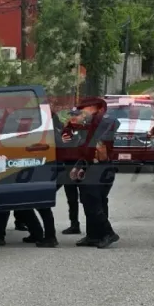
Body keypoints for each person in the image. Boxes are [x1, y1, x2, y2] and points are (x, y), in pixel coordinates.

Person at [68, 98, 121, 248]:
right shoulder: (88, 126)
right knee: (87, 200)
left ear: (94, 107)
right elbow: (85, 151)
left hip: (101, 167)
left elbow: (114, 123)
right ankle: (93, 235)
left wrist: (101, 140)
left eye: (84, 109)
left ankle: (108, 233)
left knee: (94, 201)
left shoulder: (105, 119)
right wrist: (77, 167)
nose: (82, 112)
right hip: (89, 166)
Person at [58, 109, 84, 235]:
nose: (73, 117)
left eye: (76, 115)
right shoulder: (66, 130)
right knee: (71, 198)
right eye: (71, 115)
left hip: (82, 166)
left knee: (87, 198)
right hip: (68, 166)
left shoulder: (86, 129)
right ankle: (74, 224)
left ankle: (95, 225)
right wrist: (61, 141)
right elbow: (60, 147)